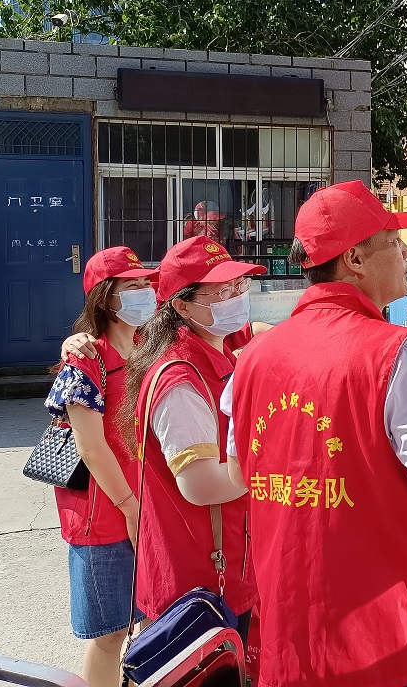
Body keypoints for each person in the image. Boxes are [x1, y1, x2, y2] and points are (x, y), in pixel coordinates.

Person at [226, 180, 407, 687]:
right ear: (355, 259)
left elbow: (240, 473)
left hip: (292, 646)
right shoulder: (396, 354)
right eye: (394, 241)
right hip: (391, 647)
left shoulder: (253, 358)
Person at [122, 236, 265, 635]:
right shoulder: (181, 381)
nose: (237, 297)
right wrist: (276, 468)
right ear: (182, 306)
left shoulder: (216, 357)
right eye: (222, 291)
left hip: (224, 562)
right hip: (199, 579)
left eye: (239, 285)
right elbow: (201, 486)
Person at [45, 247, 158, 687]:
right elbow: (91, 448)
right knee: (110, 633)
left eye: (146, 284)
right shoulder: (85, 360)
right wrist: (130, 507)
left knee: (152, 618)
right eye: (132, 286)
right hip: (105, 514)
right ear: (105, 297)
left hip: (148, 506)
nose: (144, 293)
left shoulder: (148, 347)